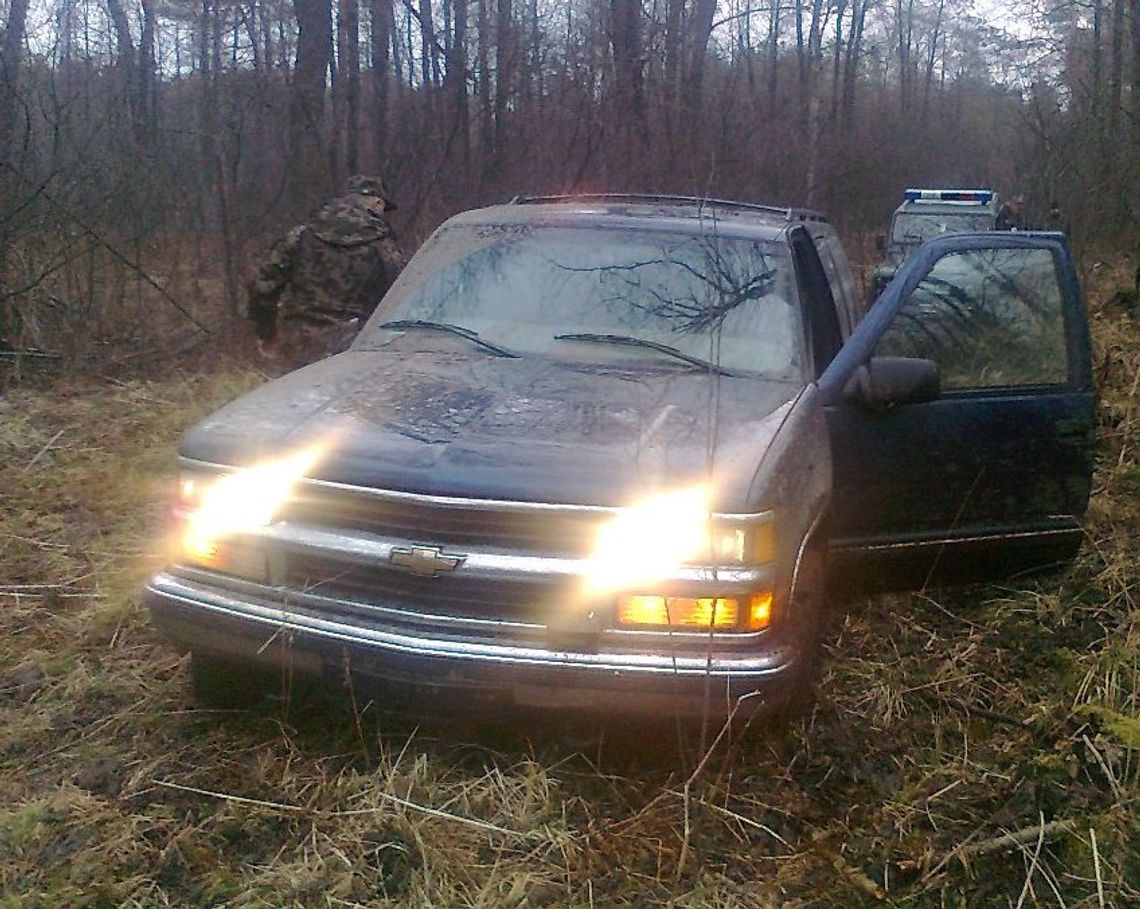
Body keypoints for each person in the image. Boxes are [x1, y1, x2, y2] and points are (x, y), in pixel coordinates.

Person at [248, 175, 408, 369]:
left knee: (301, 399)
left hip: (299, 346)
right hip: (356, 349)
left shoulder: (301, 235)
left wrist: (266, 333)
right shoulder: (383, 244)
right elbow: (403, 295)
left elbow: (263, 287)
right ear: (377, 202)